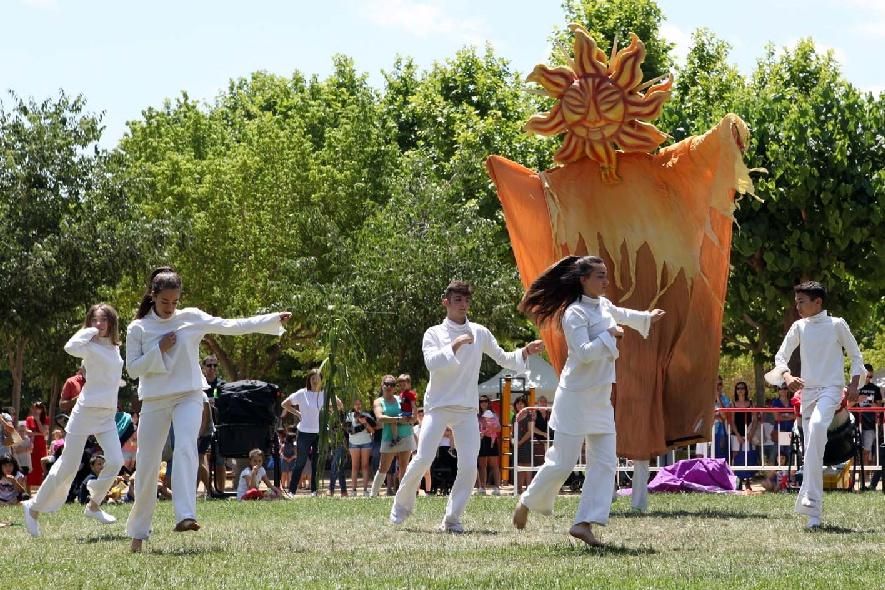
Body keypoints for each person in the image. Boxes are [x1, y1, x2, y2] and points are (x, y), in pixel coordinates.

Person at [125, 267, 290, 552]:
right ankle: (139, 533)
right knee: (148, 462)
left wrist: (272, 320)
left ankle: (186, 515)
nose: (170, 307)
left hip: (189, 394)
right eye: (165, 302)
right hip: (154, 399)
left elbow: (230, 325)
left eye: (175, 301)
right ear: (152, 296)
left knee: (187, 447)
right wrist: (160, 349)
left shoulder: (191, 318)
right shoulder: (138, 328)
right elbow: (133, 369)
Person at [511, 255, 664, 546]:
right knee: (562, 462)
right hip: (575, 396)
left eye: (606, 275)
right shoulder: (574, 313)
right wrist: (609, 336)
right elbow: (582, 352)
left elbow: (621, 314)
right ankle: (527, 501)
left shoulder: (603, 306)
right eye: (600, 276)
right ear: (583, 280)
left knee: (606, 462)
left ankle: (583, 523)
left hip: (600, 397)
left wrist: (646, 317)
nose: (606, 281)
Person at [390, 280, 544, 533]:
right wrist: (456, 344)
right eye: (458, 300)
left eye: (466, 300)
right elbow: (432, 363)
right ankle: (401, 507)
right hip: (438, 406)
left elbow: (503, 358)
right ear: (446, 303)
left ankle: (452, 520)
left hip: (466, 409)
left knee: (469, 466)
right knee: (424, 457)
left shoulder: (480, 332)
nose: (463, 305)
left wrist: (525, 352)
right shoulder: (433, 333)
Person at [23, 304, 125, 538]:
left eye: (103, 320)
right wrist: (89, 331)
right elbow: (70, 347)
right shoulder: (87, 345)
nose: (100, 325)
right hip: (85, 411)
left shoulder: (115, 347)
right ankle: (34, 507)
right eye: (95, 320)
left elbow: (109, 376)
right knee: (67, 466)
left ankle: (94, 505)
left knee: (116, 460)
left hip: (106, 413)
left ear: (112, 322)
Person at [772, 281, 863, 529]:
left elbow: (856, 357)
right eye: (796, 301)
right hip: (807, 393)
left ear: (817, 302)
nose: (797, 306)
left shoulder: (837, 324)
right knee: (810, 441)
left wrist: (854, 385)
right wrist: (788, 377)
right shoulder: (799, 327)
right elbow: (780, 357)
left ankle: (810, 503)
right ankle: (814, 513)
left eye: (801, 301)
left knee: (818, 427)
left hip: (832, 390)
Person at [370, 375, 416, 496]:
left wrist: (411, 416)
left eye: (392, 384)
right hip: (389, 438)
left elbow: (410, 413)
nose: (389, 386)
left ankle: (403, 495)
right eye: (387, 384)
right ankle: (373, 494)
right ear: (382, 385)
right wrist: (398, 419)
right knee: (383, 467)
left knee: (403, 467)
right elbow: (379, 418)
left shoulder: (400, 398)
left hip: (406, 435)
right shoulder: (378, 401)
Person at [282, 369, 324, 496]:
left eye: (317, 378)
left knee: (317, 462)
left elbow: (339, 405)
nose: (315, 381)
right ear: (309, 380)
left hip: (319, 433)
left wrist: (328, 410)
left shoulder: (324, 394)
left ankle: (314, 491)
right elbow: (285, 404)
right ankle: (292, 491)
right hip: (304, 432)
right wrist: (298, 413)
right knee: (300, 461)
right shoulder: (302, 393)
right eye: (313, 378)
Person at [856, 364, 882, 481]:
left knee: (866, 451)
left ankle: (864, 477)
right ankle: (854, 476)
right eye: (867, 376)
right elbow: (847, 404)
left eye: (871, 376)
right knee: (854, 451)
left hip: (870, 424)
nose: (869, 378)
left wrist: (873, 405)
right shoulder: (855, 387)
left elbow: (880, 406)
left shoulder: (875, 389)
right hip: (855, 423)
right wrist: (857, 399)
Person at [346, 398, 375, 496]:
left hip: (366, 442)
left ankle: (365, 490)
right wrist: (361, 426)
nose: (358, 406)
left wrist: (365, 423)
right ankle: (353, 491)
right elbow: (350, 431)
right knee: (354, 467)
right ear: (353, 406)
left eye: (359, 404)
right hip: (353, 443)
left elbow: (372, 430)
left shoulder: (367, 416)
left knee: (365, 466)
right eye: (356, 404)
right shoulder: (349, 416)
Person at [476, 396, 501, 496]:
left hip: (492, 439)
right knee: (482, 465)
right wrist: (479, 433)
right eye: (481, 401)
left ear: (488, 403)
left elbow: (499, 428)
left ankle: (497, 487)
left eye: (485, 401)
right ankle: (482, 487)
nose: (483, 403)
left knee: (494, 465)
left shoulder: (494, 414)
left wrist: (491, 428)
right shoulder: (477, 416)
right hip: (481, 440)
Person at [25, 401, 49, 487]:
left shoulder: (46, 419)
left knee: (41, 466)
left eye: (38, 408)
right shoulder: (29, 419)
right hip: (31, 446)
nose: (35, 410)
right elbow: (27, 432)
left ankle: (41, 487)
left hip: (41, 446)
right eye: (34, 408)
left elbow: (44, 432)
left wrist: (38, 420)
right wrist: (39, 434)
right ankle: (28, 489)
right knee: (30, 466)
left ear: (42, 410)